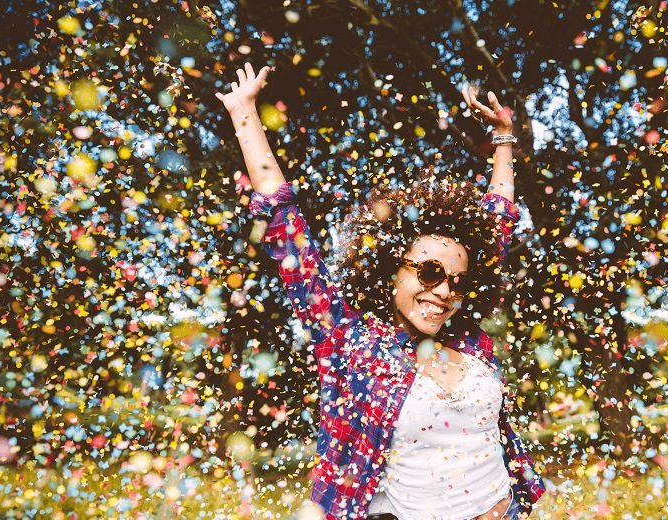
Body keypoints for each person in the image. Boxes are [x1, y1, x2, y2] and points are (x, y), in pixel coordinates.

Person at [216, 63, 544, 520]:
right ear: (392, 272)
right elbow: (287, 227)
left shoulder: (469, 340)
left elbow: (496, 225)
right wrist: (244, 116)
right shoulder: (350, 340)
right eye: (429, 272)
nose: (444, 291)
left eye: (457, 281)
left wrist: (504, 139)